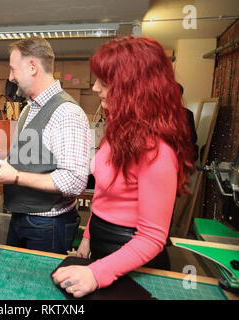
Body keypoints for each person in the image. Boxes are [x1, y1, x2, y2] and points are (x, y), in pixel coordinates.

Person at [52, 37, 195, 298]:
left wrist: (96, 273)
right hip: (102, 245)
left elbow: (152, 237)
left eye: (105, 82)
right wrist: (88, 237)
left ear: (135, 87)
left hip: (133, 259)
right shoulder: (119, 131)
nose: (95, 88)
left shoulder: (158, 151)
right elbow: (104, 193)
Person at [0, 37, 91, 255]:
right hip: (22, 217)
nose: (10, 77)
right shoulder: (27, 109)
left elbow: (75, 180)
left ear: (32, 67)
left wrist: (14, 177)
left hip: (47, 226)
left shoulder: (66, 112)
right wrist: (4, 164)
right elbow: (33, 160)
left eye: (13, 70)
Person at [177, 83, 199, 162]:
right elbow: (194, 138)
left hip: (182, 156)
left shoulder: (187, 114)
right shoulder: (188, 113)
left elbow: (193, 138)